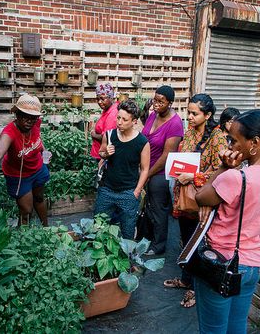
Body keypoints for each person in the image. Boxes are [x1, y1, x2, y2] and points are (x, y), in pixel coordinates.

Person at [195, 109, 260, 333]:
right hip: (252, 263)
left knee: (213, 329)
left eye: (233, 140)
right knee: (237, 326)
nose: (230, 146)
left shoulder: (235, 177)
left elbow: (201, 196)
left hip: (222, 262)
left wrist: (224, 166)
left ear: (255, 142)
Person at [163, 93, 227, 308]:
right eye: (188, 112)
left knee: (199, 244)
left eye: (194, 113)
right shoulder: (189, 133)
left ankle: (194, 289)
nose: (188, 117)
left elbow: (222, 171)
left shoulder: (217, 138)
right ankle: (185, 279)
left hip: (203, 200)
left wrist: (193, 176)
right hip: (184, 197)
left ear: (207, 115)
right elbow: (183, 160)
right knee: (186, 239)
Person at [0, 94, 50, 226]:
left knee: (39, 198)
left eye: (33, 117)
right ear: (17, 114)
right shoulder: (10, 132)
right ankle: (23, 241)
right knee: (26, 210)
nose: (29, 120)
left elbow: (37, 138)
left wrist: (43, 151)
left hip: (38, 169)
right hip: (19, 175)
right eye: (25, 115)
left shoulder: (35, 124)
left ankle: (46, 228)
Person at [93, 100, 150, 239]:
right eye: (118, 117)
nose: (119, 122)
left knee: (127, 231)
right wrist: (106, 153)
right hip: (107, 189)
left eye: (124, 119)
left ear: (134, 121)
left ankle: (126, 258)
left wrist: (136, 192)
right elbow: (101, 153)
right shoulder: (109, 135)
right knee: (99, 227)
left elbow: (145, 169)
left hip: (128, 192)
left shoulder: (142, 142)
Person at [141, 85, 184, 255]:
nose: (156, 104)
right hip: (146, 168)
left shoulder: (175, 124)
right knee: (148, 207)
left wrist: (147, 174)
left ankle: (159, 245)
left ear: (170, 103)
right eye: (155, 99)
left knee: (159, 209)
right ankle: (147, 238)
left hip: (160, 172)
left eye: (161, 101)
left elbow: (167, 155)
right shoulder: (153, 115)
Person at [90, 83, 119, 161]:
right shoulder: (107, 109)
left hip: (105, 156)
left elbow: (107, 137)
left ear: (111, 97)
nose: (99, 102)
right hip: (102, 154)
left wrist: (93, 134)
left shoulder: (113, 113)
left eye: (103, 99)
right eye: (98, 99)